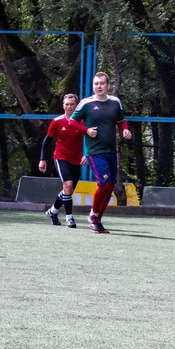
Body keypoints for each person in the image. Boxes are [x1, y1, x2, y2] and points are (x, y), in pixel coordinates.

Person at [69, 71, 132, 234]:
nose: (98, 86)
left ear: (108, 85)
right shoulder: (86, 103)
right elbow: (72, 122)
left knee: (110, 187)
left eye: (102, 83)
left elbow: (121, 121)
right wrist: (86, 130)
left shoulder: (115, 102)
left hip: (111, 150)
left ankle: (97, 219)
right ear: (93, 86)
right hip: (95, 151)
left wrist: (125, 130)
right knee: (104, 184)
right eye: (96, 84)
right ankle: (93, 216)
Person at [39, 94, 87, 228]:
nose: (69, 107)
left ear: (76, 106)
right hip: (61, 158)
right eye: (66, 104)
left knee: (68, 190)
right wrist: (42, 159)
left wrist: (87, 155)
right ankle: (69, 218)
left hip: (76, 160)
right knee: (68, 185)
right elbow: (47, 141)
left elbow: (90, 139)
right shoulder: (57, 122)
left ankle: (52, 212)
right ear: (63, 106)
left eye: (72, 104)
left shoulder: (82, 122)